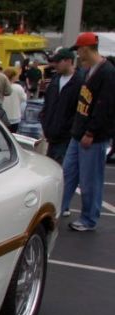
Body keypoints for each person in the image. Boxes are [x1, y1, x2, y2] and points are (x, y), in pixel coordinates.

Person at [60, 32, 115, 231]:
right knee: (68, 173)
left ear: (85, 49)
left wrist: (91, 132)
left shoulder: (107, 72)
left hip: (93, 136)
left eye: (79, 50)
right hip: (79, 132)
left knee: (90, 179)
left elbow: (105, 106)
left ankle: (89, 218)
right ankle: (61, 206)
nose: (78, 55)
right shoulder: (89, 70)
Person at [39, 48, 83, 165]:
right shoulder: (55, 80)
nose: (55, 65)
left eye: (58, 62)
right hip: (51, 136)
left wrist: (69, 128)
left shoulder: (79, 82)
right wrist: (44, 122)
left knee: (62, 171)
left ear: (69, 61)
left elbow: (79, 110)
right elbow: (47, 104)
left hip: (66, 138)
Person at [1, 67, 26, 133]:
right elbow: (24, 99)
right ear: (13, 77)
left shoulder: (1, 86)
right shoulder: (18, 87)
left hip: (2, 117)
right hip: (15, 117)